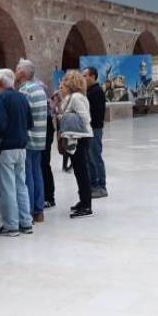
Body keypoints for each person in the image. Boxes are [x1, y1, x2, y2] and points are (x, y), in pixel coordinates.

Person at [0, 69, 33, 237]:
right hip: (21, 146)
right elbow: (30, 122)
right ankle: (26, 222)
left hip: (6, 147)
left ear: (0, 82)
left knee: (7, 187)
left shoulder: (0, 98)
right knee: (21, 185)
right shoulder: (22, 97)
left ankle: (11, 225)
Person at [15, 59, 47, 222]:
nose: (15, 72)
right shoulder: (39, 89)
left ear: (22, 73)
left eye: (17, 69)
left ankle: (29, 211)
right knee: (37, 173)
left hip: (28, 139)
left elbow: (22, 116)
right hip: (40, 138)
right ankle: (39, 210)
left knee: (28, 176)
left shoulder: (25, 90)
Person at [59, 71, 94, 218]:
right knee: (79, 172)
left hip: (80, 138)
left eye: (65, 82)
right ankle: (83, 201)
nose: (62, 85)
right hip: (76, 138)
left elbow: (85, 118)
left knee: (82, 172)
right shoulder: (72, 98)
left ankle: (86, 205)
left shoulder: (77, 97)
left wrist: (65, 118)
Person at [83, 67, 108, 198]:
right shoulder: (90, 91)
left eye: (85, 76)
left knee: (95, 158)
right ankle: (93, 185)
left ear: (92, 77)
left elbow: (94, 113)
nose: (83, 78)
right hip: (90, 130)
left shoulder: (96, 92)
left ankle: (101, 187)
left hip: (94, 129)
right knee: (90, 158)